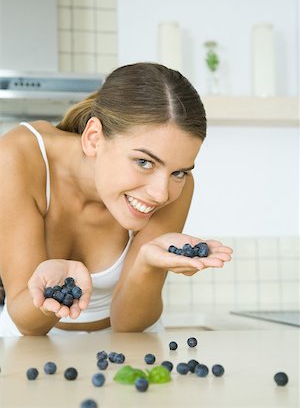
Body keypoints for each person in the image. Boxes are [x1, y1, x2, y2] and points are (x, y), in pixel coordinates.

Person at [0, 62, 232, 336]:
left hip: (128, 348)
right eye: (144, 162)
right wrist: (53, 292)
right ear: (94, 138)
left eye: (179, 171)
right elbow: (27, 324)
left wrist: (147, 264)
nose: (161, 193)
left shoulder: (174, 189)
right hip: (31, 344)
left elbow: (128, 324)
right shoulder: (17, 158)